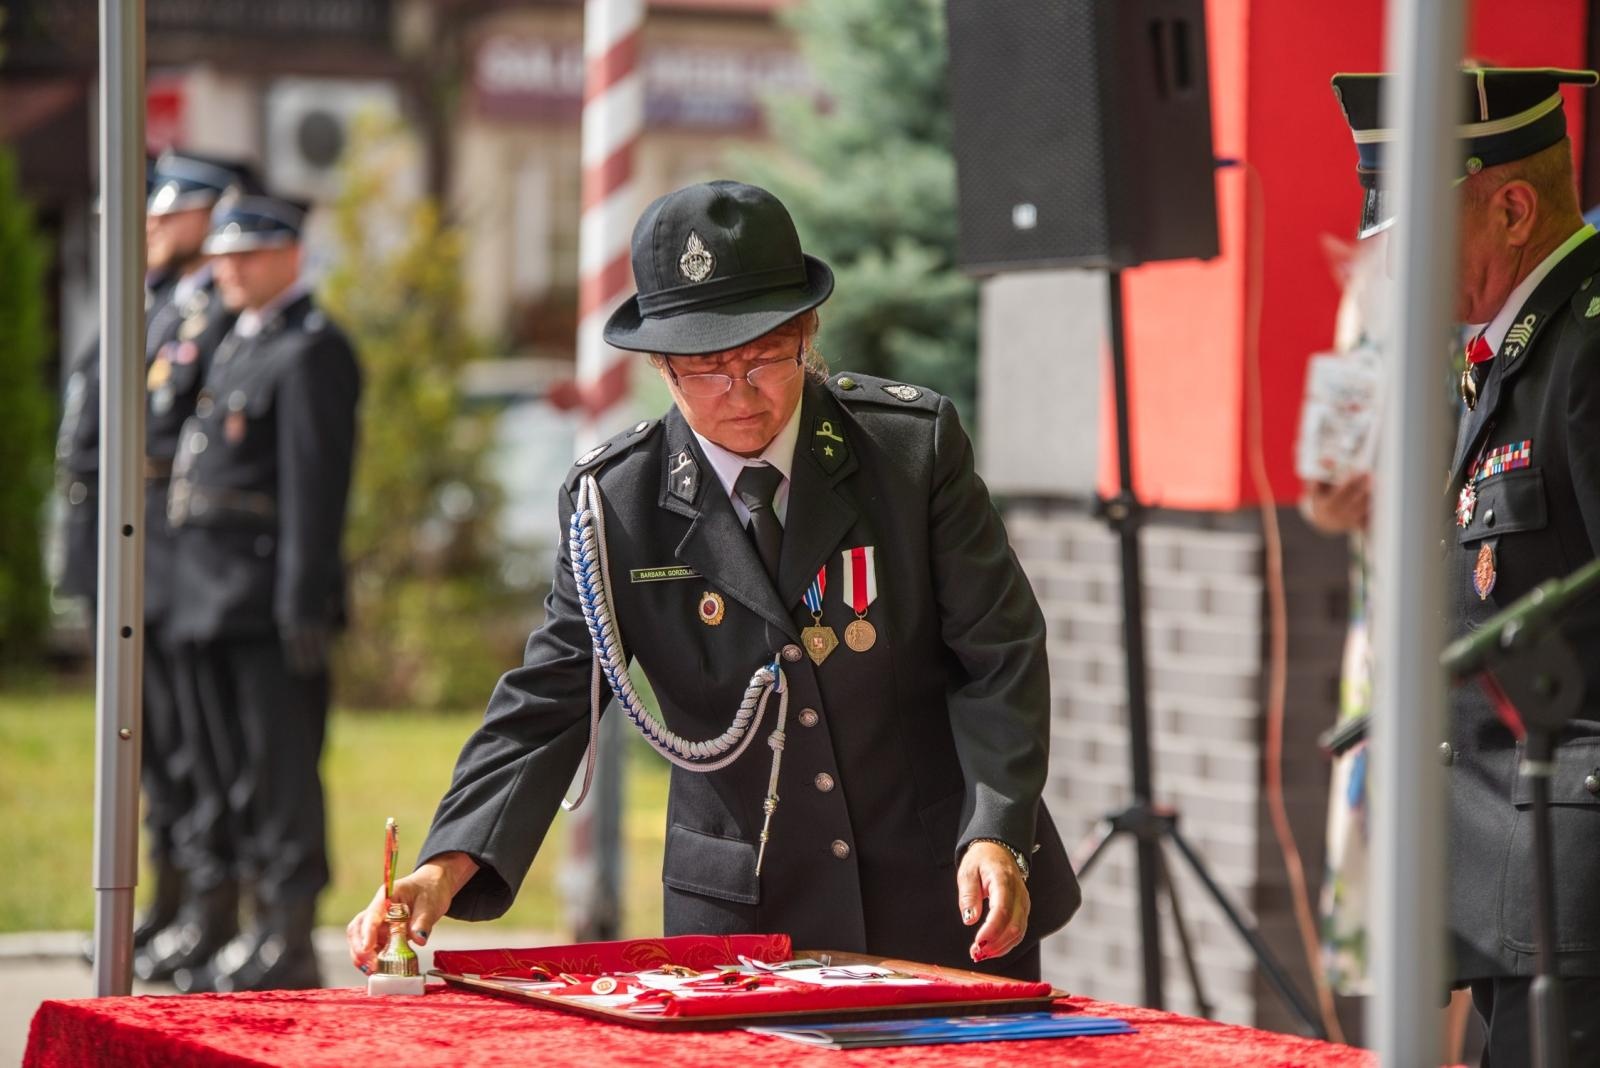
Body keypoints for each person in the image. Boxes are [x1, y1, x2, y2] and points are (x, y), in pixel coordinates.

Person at [346, 180, 1079, 980]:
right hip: (745, 919)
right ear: (661, 367)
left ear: (808, 332)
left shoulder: (908, 452)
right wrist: (444, 866)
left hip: (940, 896)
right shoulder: (617, 504)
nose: (742, 394)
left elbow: (1000, 652)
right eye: (705, 370)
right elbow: (549, 701)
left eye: (765, 356)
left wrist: (997, 830)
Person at [1333, 66, 1600, 1063]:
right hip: (1514, 879)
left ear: (1514, 208)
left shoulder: (1586, 346)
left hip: (1574, 885)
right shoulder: (1512, 343)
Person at [155, 192, 362, 993]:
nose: (229, 270)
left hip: (267, 604)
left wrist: (303, 602)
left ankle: (287, 932)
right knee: (225, 774)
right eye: (222, 256)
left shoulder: (312, 348)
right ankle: (241, 921)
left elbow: (314, 488)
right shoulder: (235, 340)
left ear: (290, 256)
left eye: (247, 255)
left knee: (280, 776)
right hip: (207, 597)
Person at [58, 150, 260, 968]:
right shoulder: (154, 304)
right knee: (152, 751)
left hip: (174, 555)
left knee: (192, 749)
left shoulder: (210, 312)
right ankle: (172, 903)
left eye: (169, 213)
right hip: (131, 543)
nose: (148, 227)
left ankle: (207, 910)